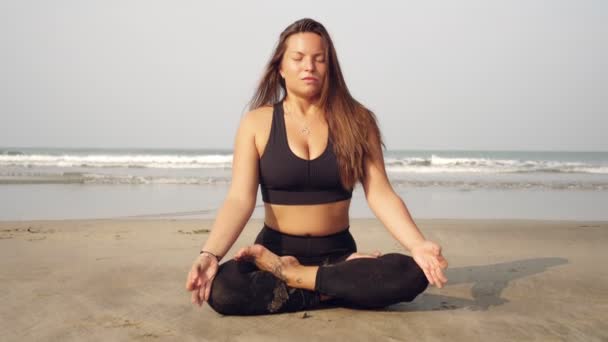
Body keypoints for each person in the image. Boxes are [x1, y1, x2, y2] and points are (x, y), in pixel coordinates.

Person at [185, 18, 448, 316]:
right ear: (281, 68)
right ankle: (333, 287)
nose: (309, 66)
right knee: (223, 289)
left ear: (329, 67)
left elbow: (381, 194)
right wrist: (210, 254)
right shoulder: (256, 123)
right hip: (274, 252)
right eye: (298, 58)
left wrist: (417, 245)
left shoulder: (359, 121)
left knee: (413, 272)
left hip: (338, 254)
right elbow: (239, 199)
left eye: (319, 59)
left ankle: (296, 278)